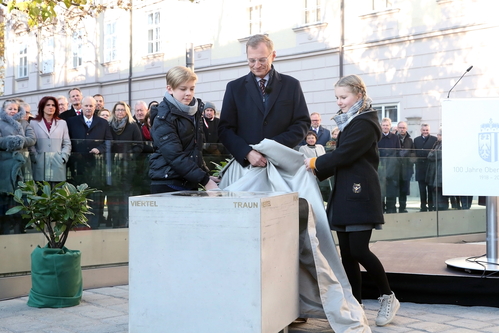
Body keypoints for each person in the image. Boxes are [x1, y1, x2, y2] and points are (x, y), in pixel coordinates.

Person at [304, 74, 399, 327]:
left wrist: (315, 162)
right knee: (347, 255)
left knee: (358, 250)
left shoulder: (366, 122)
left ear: (359, 95)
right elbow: (343, 158)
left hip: (360, 193)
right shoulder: (351, 121)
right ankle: (355, 306)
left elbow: (345, 154)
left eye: (343, 97)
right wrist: (317, 170)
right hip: (346, 193)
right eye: (337, 97)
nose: (340, 102)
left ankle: (388, 296)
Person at [218, 34, 310, 167]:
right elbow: (225, 129)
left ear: (273, 56)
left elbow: (302, 123)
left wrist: (273, 146)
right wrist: (247, 152)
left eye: (262, 60)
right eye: (251, 60)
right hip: (248, 164)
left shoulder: (291, 85)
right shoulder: (234, 88)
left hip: (282, 162)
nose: (256, 65)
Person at [148, 66, 219, 193]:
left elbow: (194, 151)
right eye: (183, 89)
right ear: (170, 89)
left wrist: (205, 175)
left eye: (192, 88)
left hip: (188, 181)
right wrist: (204, 180)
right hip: (168, 183)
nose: (189, 93)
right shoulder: (163, 117)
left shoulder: (195, 112)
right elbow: (175, 156)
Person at [66, 96, 112, 229]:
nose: (88, 108)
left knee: (95, 197)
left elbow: (108, 141)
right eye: (86, 106)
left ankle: (94, 224)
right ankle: (78, 223)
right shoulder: (71, 121)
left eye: (91, 106)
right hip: (77, 166)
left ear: (95, 107)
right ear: (81, 106)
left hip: (96, 167)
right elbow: (67, 139)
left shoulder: (103, 123)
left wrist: (99, 149)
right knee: (78, 196)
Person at [0, 99, 36, 234]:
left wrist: (19, 141)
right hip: (4, 165)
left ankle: (20, 228)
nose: (13, 111)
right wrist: (11, 141)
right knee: (6, 196)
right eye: (10, 109)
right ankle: (4, 229)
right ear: (4, 110)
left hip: (23, 164)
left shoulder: (25, 123)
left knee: (22, 195)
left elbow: (32, 139)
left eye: (15, 109)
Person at [108, 101, 143, 227]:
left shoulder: (132, 126)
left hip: (128, 166)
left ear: (126, 111)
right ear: (114, 111)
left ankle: (124, 221)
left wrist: (127, 154)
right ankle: (113, 221)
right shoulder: (109, 125)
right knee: (112, 194)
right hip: (112, 166)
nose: (120, 112)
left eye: (122, 110)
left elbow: (140, 146)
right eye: (117, 110)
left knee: (125, 194)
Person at [30, 96, 71, 183]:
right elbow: (31, 144)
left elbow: (67, 143)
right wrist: (35, 157)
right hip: (40, 163)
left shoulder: (62, 123)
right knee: (41, 192)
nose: (51, 107)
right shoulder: (33, 123)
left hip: (57, 162)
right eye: (48, 105)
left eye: (53, 105)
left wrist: (63, 157)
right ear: (42, 107)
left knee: (57, 192)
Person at [378, 117, 401, 214]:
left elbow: (398, 151)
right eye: (383, 125)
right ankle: (381, 208)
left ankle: (391, 208)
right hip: (380, 168)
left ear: (390, 126)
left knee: (391, 189)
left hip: (392, 168)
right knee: (381, 189)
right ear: (381, 126)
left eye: (387, 125)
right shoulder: (377, 137)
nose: (385, 127)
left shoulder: (395, 137)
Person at [413, 123, 437, 212]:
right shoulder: (416, 140)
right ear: (421, 130)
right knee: (422, 189)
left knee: (430, 189)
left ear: (429, 130)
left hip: (430, 168)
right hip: (420, 168)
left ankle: (431, 206)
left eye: (427, 130)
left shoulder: (434, 139)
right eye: (424, 130)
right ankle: (423, 206)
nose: (425, 132)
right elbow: (414, 152)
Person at [425, 129, 448, 210]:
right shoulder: (436, 144)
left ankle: (441, 207)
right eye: (438, 135)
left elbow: (438, 154)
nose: (438, 136)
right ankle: (436, 206)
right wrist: (432, 153)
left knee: (440, 190)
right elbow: (429, 155)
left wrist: (433, 153)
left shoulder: (445, 144)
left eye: (440, 135)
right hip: (434, 171)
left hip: (440, 171)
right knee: (435, 190)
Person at [397, 121, 414, 213]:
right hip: (396, 169)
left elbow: (413, 153)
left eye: (403, 128)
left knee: (404, 190)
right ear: (397, 128)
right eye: (400, 127)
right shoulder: (394, 138)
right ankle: (391, 206)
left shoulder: (410, 140)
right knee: (395, 189)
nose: (402, 129)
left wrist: (411, 162)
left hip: (406, 169)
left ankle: (402, 207)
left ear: (406, 129)